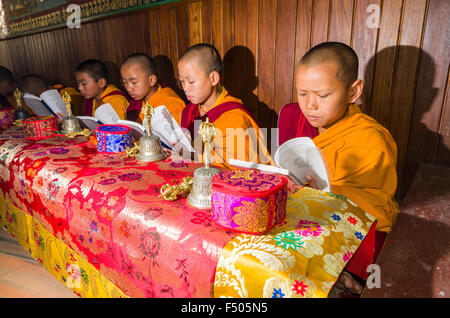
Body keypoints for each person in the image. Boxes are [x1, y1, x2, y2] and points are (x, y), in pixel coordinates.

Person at [292, 41, 400, 295]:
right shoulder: (303, 122)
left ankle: (351, 275)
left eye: (323, 95)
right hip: (310, 222)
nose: (310, 105)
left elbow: (375, 204)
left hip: (354, 232)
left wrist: (324, 195)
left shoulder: (370, 137)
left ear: (353, 91)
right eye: (302, 93)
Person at [177, 43, 273, 169]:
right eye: (182, 81)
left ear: (213, 78)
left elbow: (242, 170)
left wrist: (191, 155)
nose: (185, 88)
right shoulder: (189, 111)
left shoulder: (236, 117)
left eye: (191, 81)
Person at [120, 53, 185, 125]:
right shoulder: (135, 105)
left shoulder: (171, 104)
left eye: (134, 82)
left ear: (152, 80)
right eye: (125, 82)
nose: (129, 88)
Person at [19, 74, 83, 116]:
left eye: (39, 94)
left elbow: (79, 114)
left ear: (49, 87)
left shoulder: (67, 92)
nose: (40, 97)